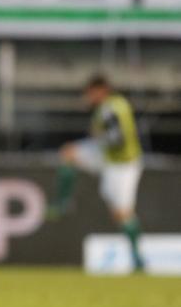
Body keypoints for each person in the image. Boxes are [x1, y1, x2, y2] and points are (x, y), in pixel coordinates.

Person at [51, 74, 145, 271]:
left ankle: (138, 259)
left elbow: (116, 139)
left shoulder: (110, 109)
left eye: (90, 93)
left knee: (121, 214)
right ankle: (63, 202)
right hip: (108, 158)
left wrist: (98, 135)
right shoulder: (116, 105)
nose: (88, 97)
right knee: (68, 153)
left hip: (122, 164)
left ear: (100, 90)